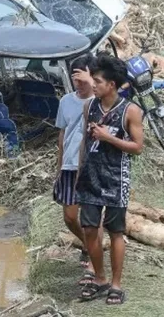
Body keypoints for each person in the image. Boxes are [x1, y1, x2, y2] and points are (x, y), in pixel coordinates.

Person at [76, 55, 144, 306]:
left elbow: (137, 147)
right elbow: (85, 142)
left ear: (112, 85)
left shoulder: (131, 111)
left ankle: (116, 284)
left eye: (98, 81)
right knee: (90, 229)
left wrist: (109, 138)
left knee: (116, 231)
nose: (93, 85)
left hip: (117, 179)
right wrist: (79, 173)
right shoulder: (89, 107)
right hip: (90, 177)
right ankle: (100, 278)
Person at [53, 55, 99, 286]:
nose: (79, 85)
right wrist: (60, 166)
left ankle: (93, 259)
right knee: (70, 217)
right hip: (70, 165)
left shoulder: (99, 102)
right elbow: (63, 135)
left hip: (92, 168)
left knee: (92, 219)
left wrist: (91, 85)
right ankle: (88, 245)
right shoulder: (66, 102)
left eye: (83, 79)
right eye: (76, 80)